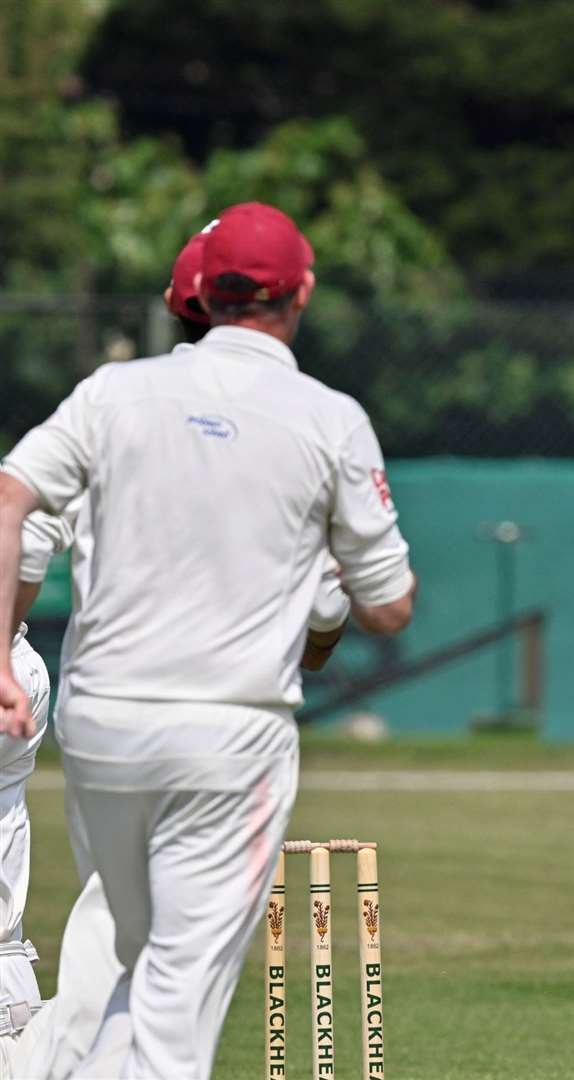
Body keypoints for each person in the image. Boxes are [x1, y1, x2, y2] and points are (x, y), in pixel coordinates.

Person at [0, 201, 416, 1078]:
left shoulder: (113, 394)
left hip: (103, 724)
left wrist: (0, 651)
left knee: (114, 940)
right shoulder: (327, 417)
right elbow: (382, 608)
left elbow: (13, 509)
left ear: (193, 295)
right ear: (299, 294)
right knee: (177, 989)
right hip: (229, 734)